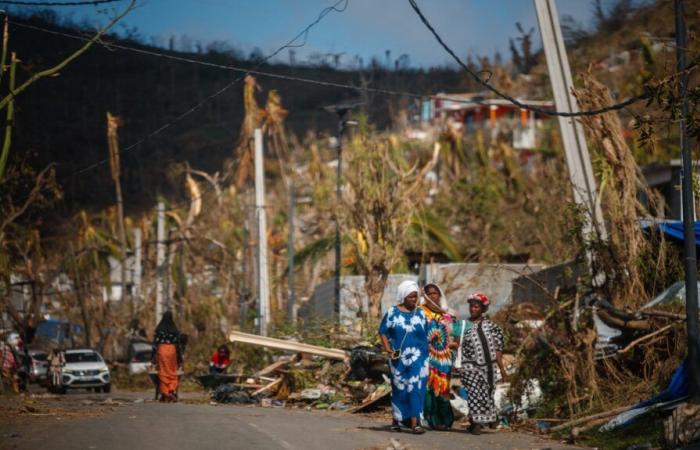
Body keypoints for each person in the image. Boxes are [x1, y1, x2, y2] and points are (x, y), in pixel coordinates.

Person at [379, 280, 428, 434]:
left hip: (419, 359)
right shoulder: (392, 313)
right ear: (403, 296)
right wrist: (388, 349)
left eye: (416, 297)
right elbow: (382, 331)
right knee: (399, 389)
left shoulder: (421, 313)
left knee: (416, 388)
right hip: (398, 359)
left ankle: (416, 423)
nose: (414, 300)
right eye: (411, 297)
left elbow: (426, 334)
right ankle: (396, 421)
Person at [460, 293, 507, 435]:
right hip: (469, 366)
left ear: (483, 309)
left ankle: (488, 419)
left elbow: (498, 350)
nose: (472, 309)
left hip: (489, 368)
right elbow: (458, 345)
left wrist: (502, 370)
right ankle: (476, 424)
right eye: (471, 306)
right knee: (474, 393)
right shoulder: (463, 326)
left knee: (486, 394)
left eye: (476, 306)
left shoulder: (493, 327)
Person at [420, 283, 455, 430]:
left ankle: (444, 420)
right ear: (425, 296)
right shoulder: (420, 312)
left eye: (435, 293)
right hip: (426, 357)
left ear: (439, 295)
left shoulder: (446, 314)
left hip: (444, 358)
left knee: (443, 388)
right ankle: (431, 420)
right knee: (429, 389)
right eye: (430, 294)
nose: (433, 296)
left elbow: (452, 336)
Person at [152, 311, 183, 402]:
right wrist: (180, 358)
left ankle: (165, 392)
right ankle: (171, 391)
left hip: (162, 351)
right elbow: (178, 345)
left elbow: (155, 344)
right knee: (172, 371)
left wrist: (153, 357)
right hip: (172, 351)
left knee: (163, 372)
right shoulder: (174, 330)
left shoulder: (159, 329)